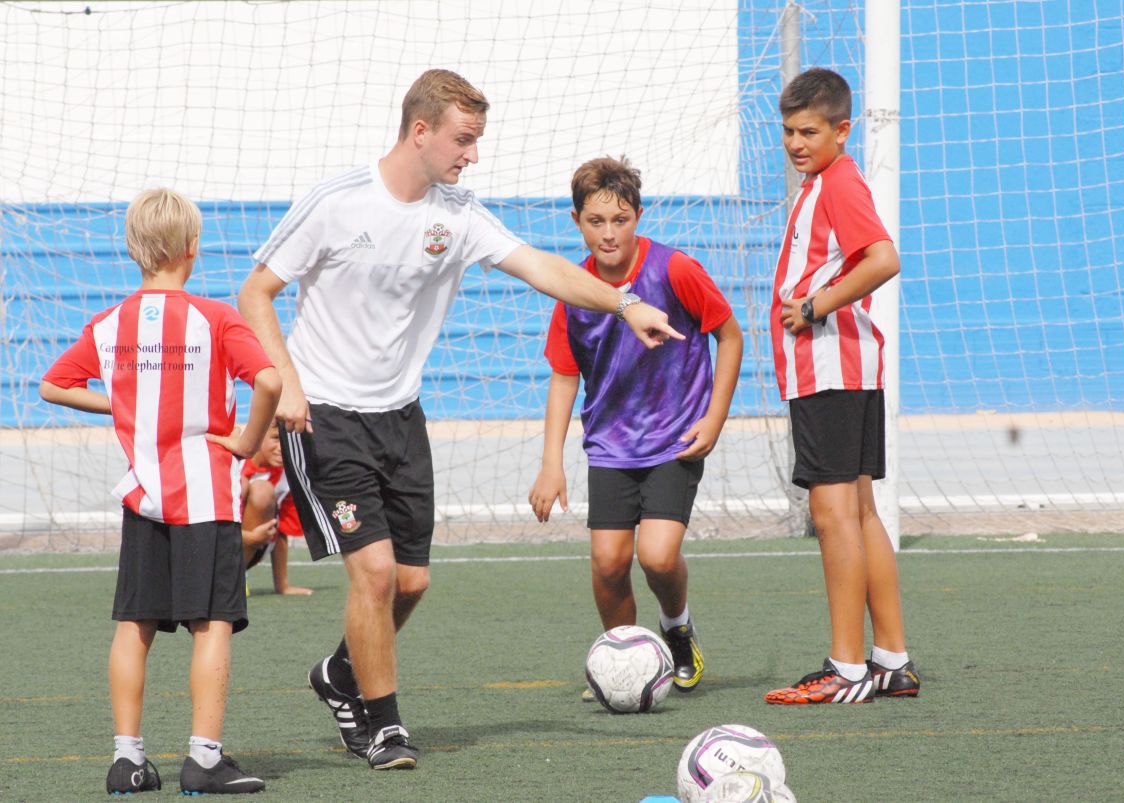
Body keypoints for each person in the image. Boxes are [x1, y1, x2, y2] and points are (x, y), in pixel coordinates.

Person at [237, 69, 683, 771]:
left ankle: (341, 673)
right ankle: (385, 728)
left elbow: (541, 267)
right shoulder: (336, 202)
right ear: (420, 131)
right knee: (375, 574)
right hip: (325, 416)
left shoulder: (459, 213)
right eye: (463, 139)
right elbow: (255, 292)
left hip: (401, 418)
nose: (473, 154)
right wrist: (287, 382)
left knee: (411, 582)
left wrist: (625, 304)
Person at [40, 188, 279, 793]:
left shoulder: (110, 323)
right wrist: (248, 442)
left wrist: (126, 405)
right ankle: (204, 758)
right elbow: (270, 381)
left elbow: (52, 385)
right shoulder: (214, 317)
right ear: (192, 247)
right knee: (212, 624)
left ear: (132, 248)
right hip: (205, 496)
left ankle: (127, 761)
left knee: (134, 625)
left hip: (143, 498)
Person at [528, 157, 743, 699]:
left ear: (638, 217)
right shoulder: (574, 290)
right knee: (608, 562)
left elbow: (731, 336)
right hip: (610, 446)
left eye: (620, 220)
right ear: (577, 221)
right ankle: (620, 663)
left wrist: (714, 417)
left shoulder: (675, 269)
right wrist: (551, 463)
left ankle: (677, 630)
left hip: (676, 438)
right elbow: (564, 377)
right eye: (596, 221)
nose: (609, 232)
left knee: (657, 556)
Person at [762, 67, 919, 705]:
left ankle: (847, 668)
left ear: (842, 130)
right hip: (847, 369)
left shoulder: (839, 182)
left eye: (809, 131)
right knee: (860, 511)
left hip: (830, 369)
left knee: (833, 518)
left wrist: (816, 304)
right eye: (788, 131)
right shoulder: (823, 182)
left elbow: (884, 258)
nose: (796, 143)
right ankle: (891, 661)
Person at [240, 426, 314, 596]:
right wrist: (251, 538)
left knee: (263, 491)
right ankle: (223, 576)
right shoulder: (234, 464)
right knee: (248, 486)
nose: (282, 447)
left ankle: (235, 575)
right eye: (275, 438)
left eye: (287, 441)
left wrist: (283, 586)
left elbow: (281, 531)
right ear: (258, 435)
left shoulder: (288, 477)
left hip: (252, 549)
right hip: (217, 543)